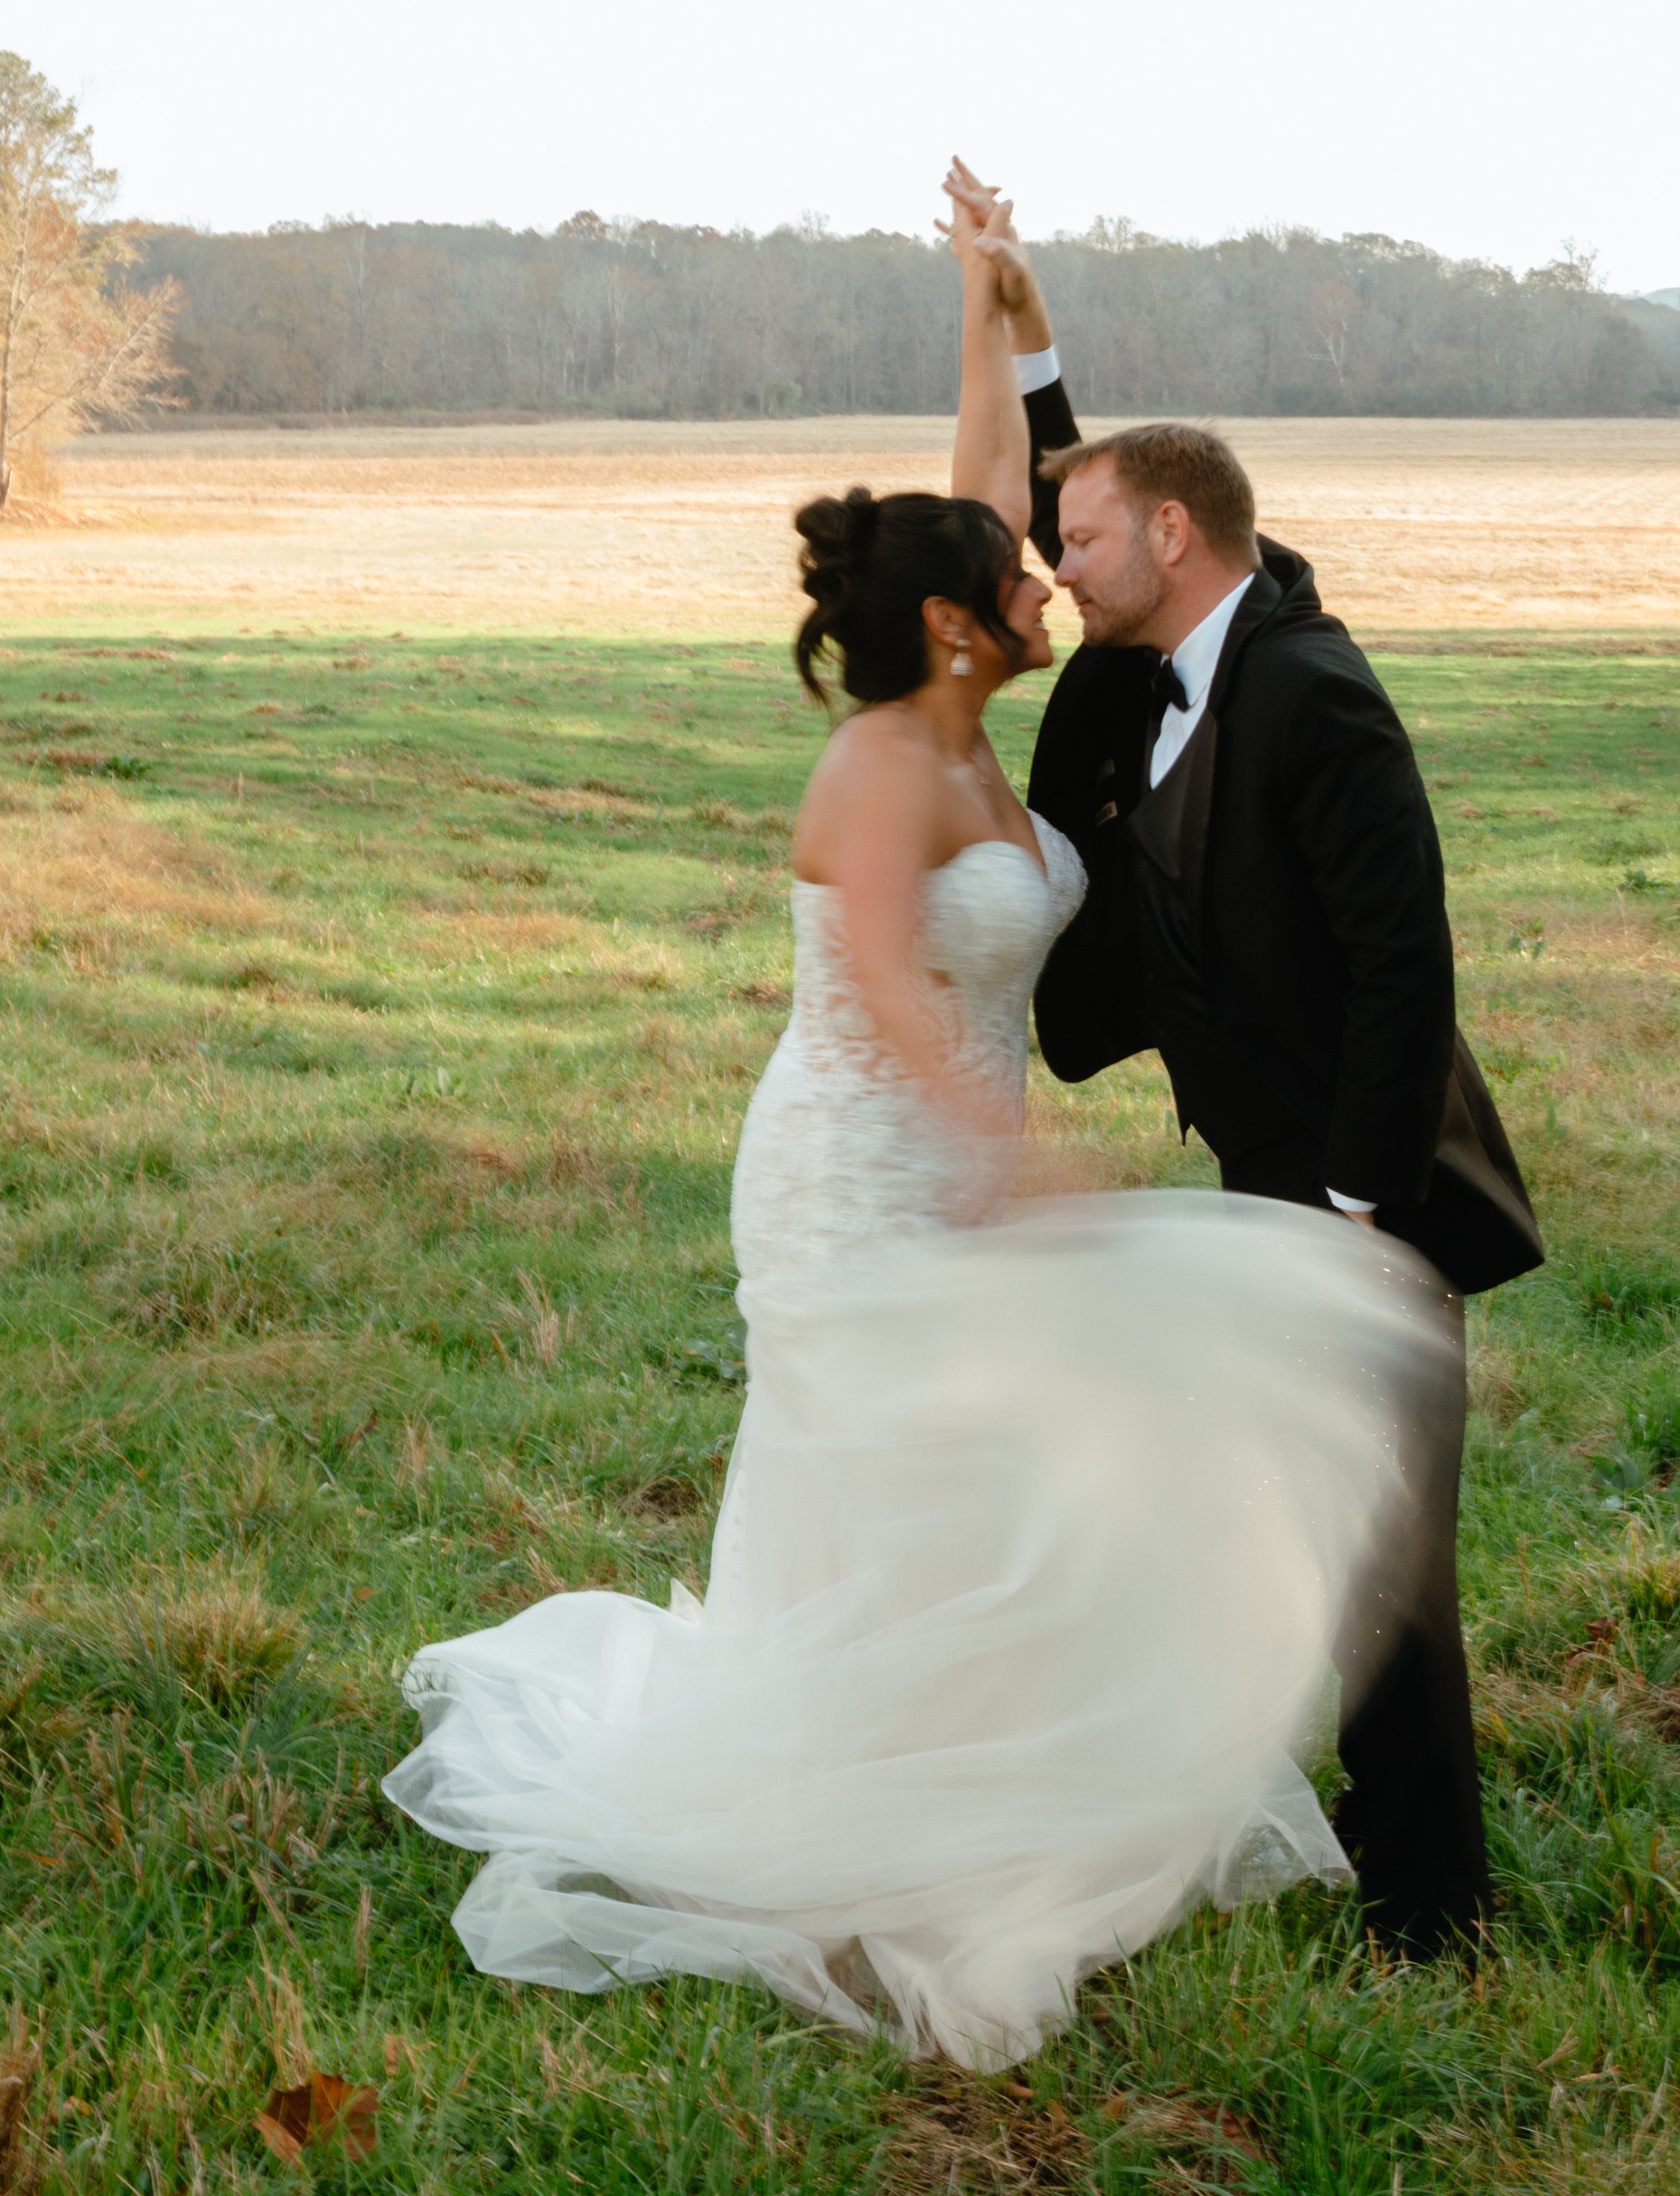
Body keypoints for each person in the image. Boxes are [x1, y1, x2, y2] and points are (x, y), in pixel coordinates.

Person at [380, 202, 1451, 2069]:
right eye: (1024, 581)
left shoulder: (968, 713)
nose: (1051, 582)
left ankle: (991, 1770)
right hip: (859, 1175)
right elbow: (883, 995)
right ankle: (861, 1814)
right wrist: (1019, 1174)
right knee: (890, 1487)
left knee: (984, 1489)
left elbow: (984, 489)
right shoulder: (878, 766)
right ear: (958, 626)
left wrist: (991, 315)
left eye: (1064, 559)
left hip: (959, 1165)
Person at [941, 160, 1542, 1963]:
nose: (1060, 560)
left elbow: (1400, 967)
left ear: (1177, 544)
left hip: (1375, 1194)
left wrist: (1355, 1207)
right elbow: (1079, 482)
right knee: (1290, 1518)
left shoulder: (1311, 694)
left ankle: (1433, 1908)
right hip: (1265, 1170)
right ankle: (1337, 1820)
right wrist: (1018, 322)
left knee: (1382, 1551)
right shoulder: (1156, 656)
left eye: (1091, 541)